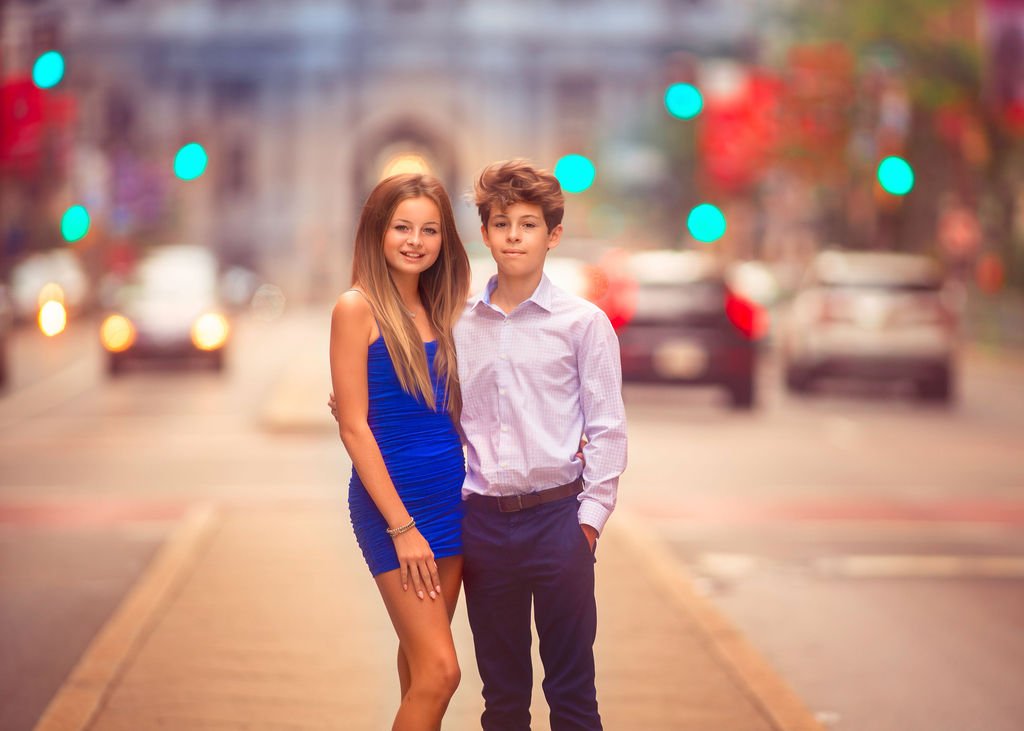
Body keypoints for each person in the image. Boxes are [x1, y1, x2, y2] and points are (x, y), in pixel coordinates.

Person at [457, 159, 627, 730]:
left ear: (552, 235)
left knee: (574, 698)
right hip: (481, 524)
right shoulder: (458, 324)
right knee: (502, 702)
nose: (513, 236)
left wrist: (589, 523)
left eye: (527, 224)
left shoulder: (584, 324)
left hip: (559, 520)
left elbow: (607, 427)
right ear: (483, 232)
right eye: (501, 223)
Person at [328, 172, 471, 730]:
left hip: (454, 503)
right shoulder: (355, 308)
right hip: (395, 506)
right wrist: (401, 526)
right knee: (442, 671)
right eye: (402, 227)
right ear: (377, 232)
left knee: (420, 660)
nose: (416, 240)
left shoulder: (447, 309)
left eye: (430, 230)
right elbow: (355, 429)